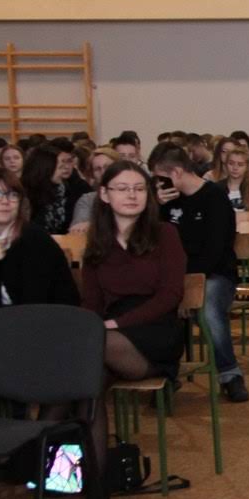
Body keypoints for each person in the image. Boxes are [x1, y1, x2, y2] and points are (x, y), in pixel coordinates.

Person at [80, 162, 188, 474]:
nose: (132, 195)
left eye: (139, 189)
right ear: (104, 194)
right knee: (86, 386)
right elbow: (91, 303)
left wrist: (114, 325)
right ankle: (96, 483)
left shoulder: (165, 234)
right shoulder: (97, 242)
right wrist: (100, 325)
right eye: (123, 188)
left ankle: (36, 449)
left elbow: (170, 296)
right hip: (109, 333)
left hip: (156, 331)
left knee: (85, 356)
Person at [151, 143, 249, 403]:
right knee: (154, 307)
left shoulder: (214, 198)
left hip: (213, 275)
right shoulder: (165, 202)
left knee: (207, 309)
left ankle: (230, 374)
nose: (157, 183)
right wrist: (155, 207)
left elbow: (213, 252)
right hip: (174, 277)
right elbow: (152, 243)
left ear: (176, 172)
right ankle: (165, 375)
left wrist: (187, 287)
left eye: (160, 176)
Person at [0, 166, 80, 340]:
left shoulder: (36, 240)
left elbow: (34, 305)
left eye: (12, 194)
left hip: (43, 327)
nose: (4, 201)